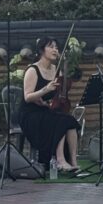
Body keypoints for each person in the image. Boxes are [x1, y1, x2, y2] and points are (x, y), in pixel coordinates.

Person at [20, 36, 82, 176]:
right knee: (59, 121)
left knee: (70, 121)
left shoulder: (56, 69)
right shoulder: (32, 70)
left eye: (56, 47)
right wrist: (45, 89)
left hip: (45, 110)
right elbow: (27, 97)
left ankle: (73, 162)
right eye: (51, 47)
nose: (55, 50)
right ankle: (60, 160)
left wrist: (47, 102)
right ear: (42, 50)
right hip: (30, 114)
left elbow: (59, 92)